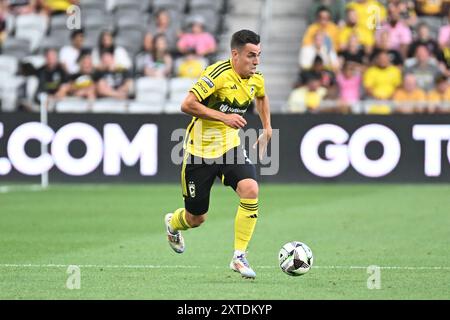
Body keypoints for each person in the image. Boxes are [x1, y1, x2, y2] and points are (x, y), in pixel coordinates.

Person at [164, 30, 272, 279]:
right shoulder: (217, 75)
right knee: (196, 218)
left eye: (258, 56)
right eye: (250, 56)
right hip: (198, 154)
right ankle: (172, 223)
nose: (255, 61)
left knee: (251, 190)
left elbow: (262, 98)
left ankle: (239, 256)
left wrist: (267, 128)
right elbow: (187, 104)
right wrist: (225, 117)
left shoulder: (256, 79)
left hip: (229, 149)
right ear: (235, 54)